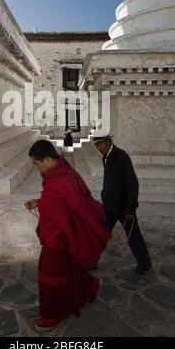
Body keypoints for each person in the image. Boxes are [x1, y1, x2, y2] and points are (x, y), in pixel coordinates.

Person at [25, 139, 111, 335]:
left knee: (52, 278)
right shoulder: (63, 170)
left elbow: (71, 206)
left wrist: (46, 203)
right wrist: (41, 201)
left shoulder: (63, 181)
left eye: (36, 163)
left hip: (60, 239)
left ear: (47, 160)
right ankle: (90, 288)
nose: (36, 167)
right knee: (71, 271)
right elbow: (62, 202)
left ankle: (55, 314)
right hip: (63, 234)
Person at [92, 130, 152, 275]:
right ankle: (91, 260)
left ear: (107, 143)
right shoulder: (105, 156)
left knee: (134, 236)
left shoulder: (121, 156)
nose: (98, 149)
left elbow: (133, 184)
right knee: (100, 234)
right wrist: (104, 194)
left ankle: (145, 263)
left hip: (125, 208)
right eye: (96, 145)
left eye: (99, 145)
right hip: (109, 207)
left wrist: (130, 208)